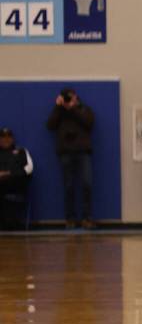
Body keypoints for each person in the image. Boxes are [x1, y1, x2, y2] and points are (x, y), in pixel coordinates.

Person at [46, 87, 95, 229]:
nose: (68, 100)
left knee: (87, 184)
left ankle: (87, 218)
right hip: (65, 152)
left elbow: (89, 123)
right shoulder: (59, 111)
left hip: (83, 152)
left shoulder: (84, 109)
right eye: (66, 98)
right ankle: (70, 218)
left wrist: (73, 108)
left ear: (76, 97)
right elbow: (50, 125)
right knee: (68, 186)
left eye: (70, 97)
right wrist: (58, 107)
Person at [0, 127, 33, 230]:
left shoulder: (21, 151)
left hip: (15, 185)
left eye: (8, 137)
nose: (6, 139)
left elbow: (29, 169)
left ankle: (10, 222)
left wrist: (9, 174)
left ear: (13, 139)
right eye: (3, 137)